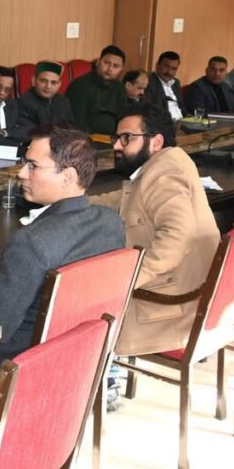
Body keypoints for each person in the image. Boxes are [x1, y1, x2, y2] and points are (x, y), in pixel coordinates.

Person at [0, 124, 125, 384]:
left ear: (67, 176)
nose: (21, 173)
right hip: (78, 350)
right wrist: (5, 293)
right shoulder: (111, 222)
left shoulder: (30, 241)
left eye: (33, 166)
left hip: (19, 360)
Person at [90, 102, 220, 356]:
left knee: (79, 290)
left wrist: (128, 280)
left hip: (172, 306)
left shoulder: (164, 174)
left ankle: (106, 368)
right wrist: (72, 204)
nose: (116, 146)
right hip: (192, 290)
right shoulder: (165, 163)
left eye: (126, 138)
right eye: (116, 138)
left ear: (156, 142)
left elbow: (178, 237)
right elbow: (127, 198)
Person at [66, 45, 128, 135]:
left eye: (116, 66)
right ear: (98, 62)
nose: (110, 69)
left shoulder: (120, 88)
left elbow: (123, 118)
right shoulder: (80, 86)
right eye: (106, 63)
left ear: (121, 69)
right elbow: (77, 123)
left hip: (114, 138)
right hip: (86, 138)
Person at [17, 60, 74, 128]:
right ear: (34, 81)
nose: (48, 86)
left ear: (59, 85)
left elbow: (71, 127)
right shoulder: (25, 102)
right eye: (43, 81)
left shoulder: (63, 101)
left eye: (53, 82)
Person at [143, 51, 186, 120]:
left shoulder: (176, 83)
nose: (169, 72)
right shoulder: (148, 81)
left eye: (174, 69)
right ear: (157, 65)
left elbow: (182, 107)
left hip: (182, 122)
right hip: (163, 123)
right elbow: (149, 110)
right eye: (166, 66)